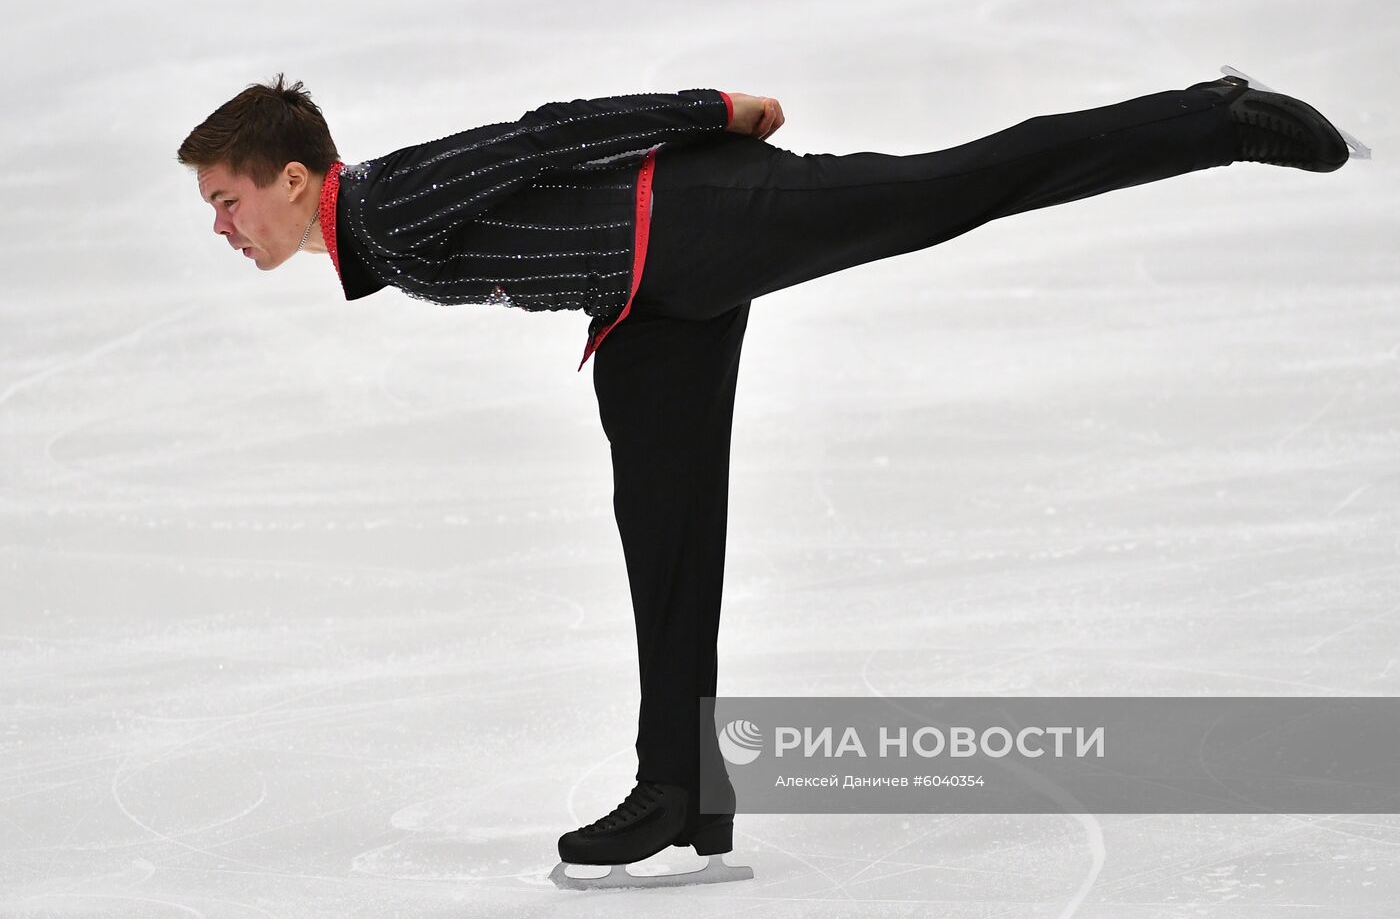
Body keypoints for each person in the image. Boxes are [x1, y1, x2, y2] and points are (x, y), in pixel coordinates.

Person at [177, 71, 1353, 889]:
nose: (223, 227)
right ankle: (680, 793)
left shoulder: (384, 198)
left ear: (290, 177)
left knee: (950, 185)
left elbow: (546, 133)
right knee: (664, 538)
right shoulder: (375, 231)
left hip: (706, 219)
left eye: (227, 200)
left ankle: (1208, 117)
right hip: (644, 306)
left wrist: (714, 111)